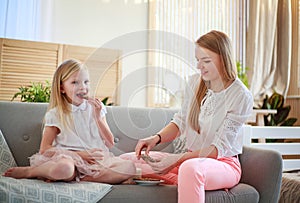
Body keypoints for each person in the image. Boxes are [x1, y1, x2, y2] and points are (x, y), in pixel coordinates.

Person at [120, 30, 253, 202]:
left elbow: (217, 150)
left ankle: (184, 180)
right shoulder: (195, 82)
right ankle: (184, 183)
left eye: (206, 61)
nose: (199, 66)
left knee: (189, 170)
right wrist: (156, 138)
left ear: (223, 58)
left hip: (223, 164)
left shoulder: (240, 95)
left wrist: (176, 160)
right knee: (129, 161)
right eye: (198, 60)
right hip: (189, 160)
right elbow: (181, 121)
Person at [3, 59, 136, 184]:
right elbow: (45, 149)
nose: (83, 87)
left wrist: (97, 117)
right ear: (62, 88)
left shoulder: (97, 109)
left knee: (129, 167)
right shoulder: (56, 114)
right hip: (69, 158)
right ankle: (31, 171)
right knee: (65, 169)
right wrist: (80, 155)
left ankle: (74, 178)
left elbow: (110, 142)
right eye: (75, 82)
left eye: (86, 82)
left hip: (96, 162)